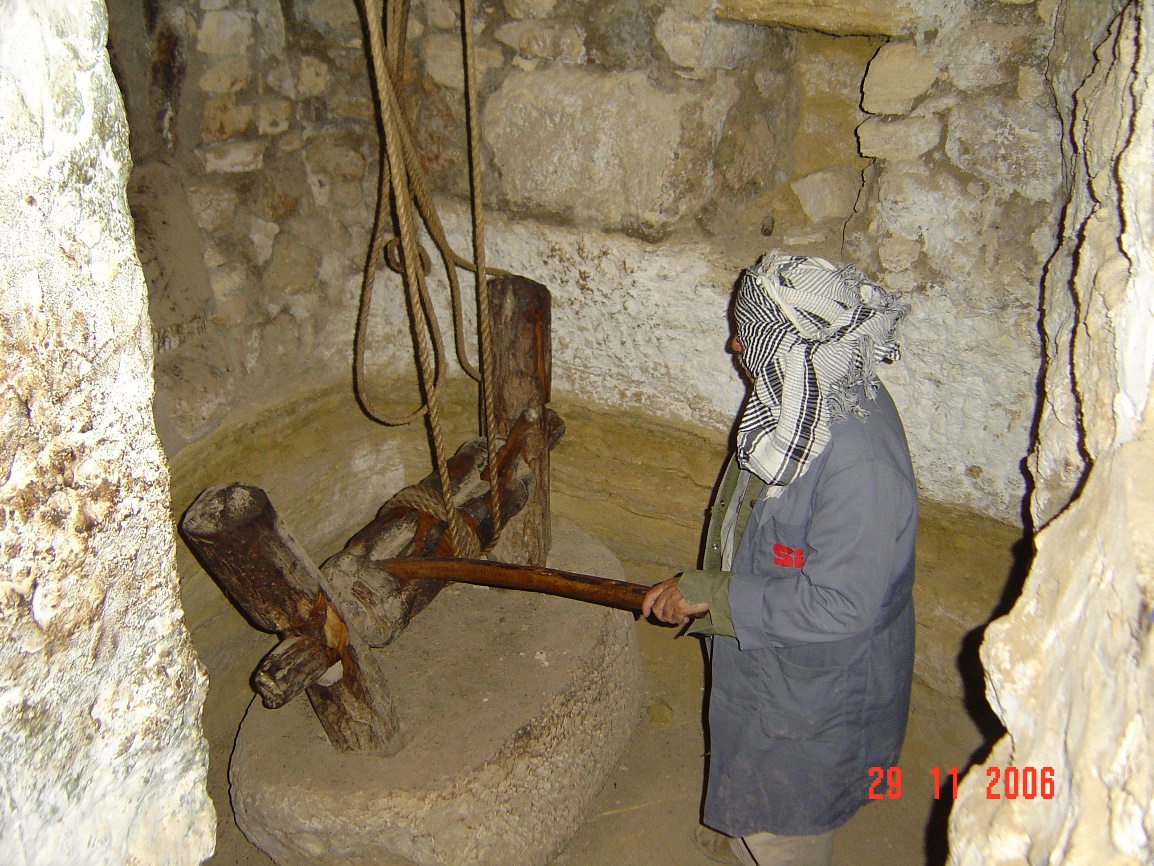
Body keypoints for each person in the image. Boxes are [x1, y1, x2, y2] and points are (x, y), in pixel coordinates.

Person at [643, 251, 917, 866]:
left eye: (748, 332)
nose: (734, 343)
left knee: (788, 822)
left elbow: (842, 604)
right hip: (780, 663)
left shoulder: (858, 461)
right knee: (757, 779)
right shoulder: (795, 401)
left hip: (816, 683)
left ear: (785, 343)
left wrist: (713, 595)